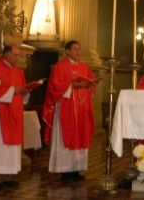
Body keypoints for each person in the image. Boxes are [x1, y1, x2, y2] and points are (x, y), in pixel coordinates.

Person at [0, 44, 35, 189]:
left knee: (12, 147)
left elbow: (21, 89)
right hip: (0, 111)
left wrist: (25, 92)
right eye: (15, 55)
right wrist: (12, 91)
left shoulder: (18, 71)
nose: (17, 58)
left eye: (18, 55)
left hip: (15, 111)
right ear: (6, 54)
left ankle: (9, 176)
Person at [42, 40, 97, 182]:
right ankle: (65, 171)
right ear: (67, 51)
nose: (78, 52)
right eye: (74, 49)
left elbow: (92, 83)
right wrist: (72, 85)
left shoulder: (84, 67)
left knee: (80, 137)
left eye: (79, 49)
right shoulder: (59, 67)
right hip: (66, 108)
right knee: (66, 137)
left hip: (81, 108)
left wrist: (90, 85)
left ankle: (77, 169)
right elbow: (54, 87)